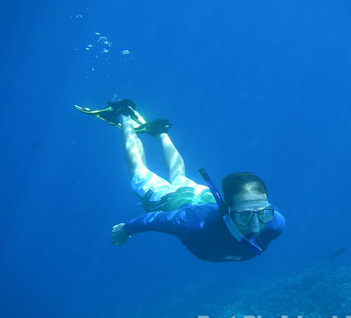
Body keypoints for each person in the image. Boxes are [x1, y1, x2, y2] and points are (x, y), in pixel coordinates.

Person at [75, 99, 285, 262]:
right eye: (245, 215)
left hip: (202, 195)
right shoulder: (192, 222)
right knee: (139, 172)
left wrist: (253, 214)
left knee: (179, 177)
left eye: (264, 213)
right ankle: (123, 114)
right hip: (175, 200)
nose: (257, 225)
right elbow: (155, 220)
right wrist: (125, 229)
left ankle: (159, 132)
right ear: (226, 210)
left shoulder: (275, 223)